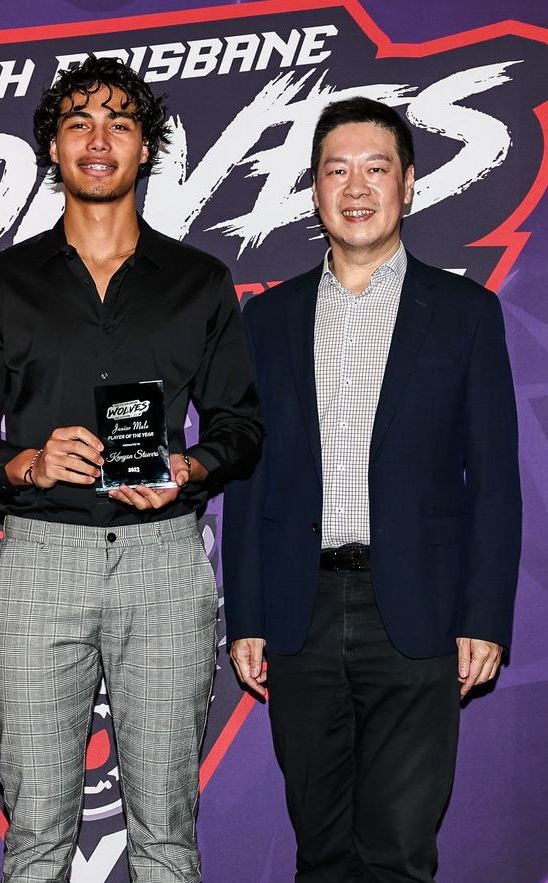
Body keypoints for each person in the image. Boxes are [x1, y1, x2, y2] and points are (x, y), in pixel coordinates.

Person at [0, 56, 262, 882]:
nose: (98, 139)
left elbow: (242, 424)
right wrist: (27, 461)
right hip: (42, 556)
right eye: (78, 122)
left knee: (166, 837)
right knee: (37, 833)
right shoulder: (3, 282)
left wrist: (190, 464)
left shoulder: (198, 282)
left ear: (145, 148)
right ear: (52, 146)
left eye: (120, 122)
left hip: (163, 560)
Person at [223, 96, 521, 882]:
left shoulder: (463, 313)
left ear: (410, 184)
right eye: (336, 169)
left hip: (417, 613)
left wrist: (483, 615)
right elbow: (246, 478)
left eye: (376, 168)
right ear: (314, 189)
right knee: (320, 853)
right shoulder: (266, 321)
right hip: (299, 613)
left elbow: (493, 481)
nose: (356, 187)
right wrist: (245, 614)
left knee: (397, 853)